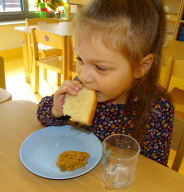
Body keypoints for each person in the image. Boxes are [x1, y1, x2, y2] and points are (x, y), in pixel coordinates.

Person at [37, 0, 174, 166]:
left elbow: (156, 172)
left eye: (100, 67)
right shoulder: (83, 87)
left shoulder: (158, 110)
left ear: (142, 66)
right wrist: (56, 110)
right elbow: (42, 116)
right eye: (80, 59)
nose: (83, 75)